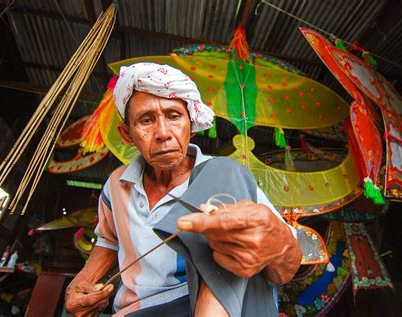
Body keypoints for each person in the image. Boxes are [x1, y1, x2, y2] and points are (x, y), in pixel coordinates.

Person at [64, 63, 302, 316]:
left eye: (174, 116)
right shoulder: (116, 184)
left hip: (196, 302)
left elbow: (286, 269)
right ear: (127, 134)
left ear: (191, 123)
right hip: (134, 311)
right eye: (146, 120)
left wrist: (280, 244)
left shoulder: (226, 177)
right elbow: (109, 240)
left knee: (226, 169)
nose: (163, 133)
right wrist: (83, 281)